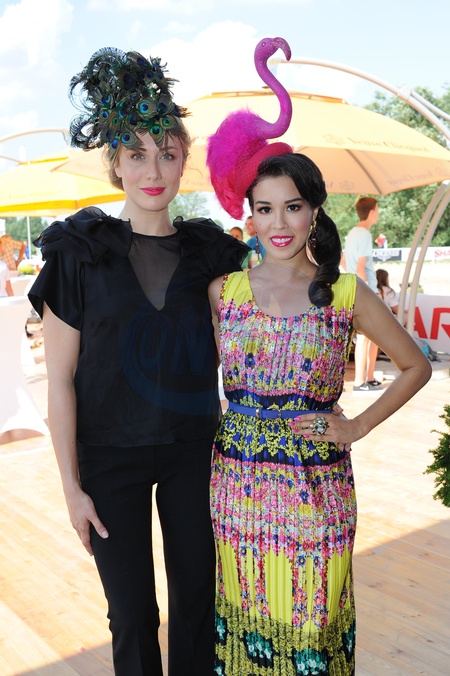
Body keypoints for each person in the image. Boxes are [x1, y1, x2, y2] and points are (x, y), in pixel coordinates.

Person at [205, 37, 431, 674]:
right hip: (237, 486)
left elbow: (415, 366)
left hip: (316, 488)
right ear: (249, 216)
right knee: (247, 631)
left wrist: (356, 426)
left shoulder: (346, 293)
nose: (279, 223)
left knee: (313, 630)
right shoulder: (224, 292)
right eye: (265, 209)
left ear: (313, 213)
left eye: (293, 208)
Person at [28, 47, 248, 676]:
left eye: (167, 154)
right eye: (136, 154)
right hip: (108, 460)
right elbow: (60, 382)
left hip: (193, 453)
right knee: (131, 617)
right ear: (115, 165)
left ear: (184, 161)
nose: (153, 170)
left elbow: (253, 334)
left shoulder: (213, 255)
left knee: (197, 606)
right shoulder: (79, 252)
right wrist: (71, 488)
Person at [344, 196, 382, 392]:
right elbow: (361, 267)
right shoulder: (364, 235)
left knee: (372, 336)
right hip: (366, 290)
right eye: (378, 210)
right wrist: (369, 293)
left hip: (356, 288)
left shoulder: (352, 233)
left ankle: (369, 377)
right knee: (365, 337)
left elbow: (343, 261)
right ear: (372, 212)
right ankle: (360, 381)